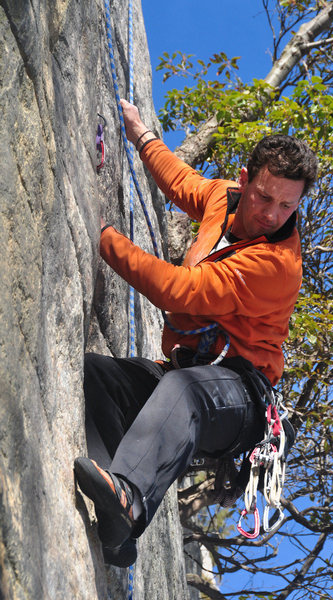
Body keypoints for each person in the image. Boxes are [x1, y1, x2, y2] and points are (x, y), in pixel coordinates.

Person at [74, 99, 318, 567]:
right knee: (98, 376)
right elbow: (182, 181)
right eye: (264, 197)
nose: (272, 214)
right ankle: (117, 519)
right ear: (244, 181)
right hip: (186, 373)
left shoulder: (276, 266)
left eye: (287, 205)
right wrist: (141, 134)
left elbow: (180, 292)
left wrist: (103, 236)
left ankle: (128, 496)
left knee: (185, 390)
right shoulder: (223, 198)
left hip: (242, 396)